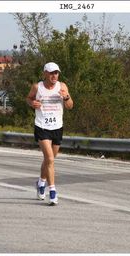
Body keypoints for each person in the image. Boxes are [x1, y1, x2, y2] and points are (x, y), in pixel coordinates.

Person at [26, 62, 74, 205]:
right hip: (42, 126)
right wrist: (32, 103)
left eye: (56, 73)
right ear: (45, 73)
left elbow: (70, 106)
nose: (54, 76)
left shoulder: (62, 86)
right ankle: (52, 191)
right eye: (51, 73)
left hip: (57, 127)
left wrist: (66, 98)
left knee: (49, 160)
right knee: (50, 159)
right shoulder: (37, 87)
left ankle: (41, 182)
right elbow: (28, 98)